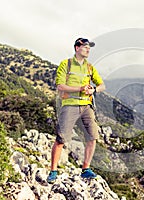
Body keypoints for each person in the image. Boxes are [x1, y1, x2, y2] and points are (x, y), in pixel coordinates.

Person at [47, 38, 105, 183]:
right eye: (85, 47)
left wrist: (94, 89)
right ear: (77, 48)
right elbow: (60, 86)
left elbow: (102, 85)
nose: (88, 49)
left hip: (87, 106)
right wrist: (80, 89)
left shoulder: (90, 67)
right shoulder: (65, 64)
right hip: (70, 105)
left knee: (93, 137)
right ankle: (53, 171)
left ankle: (86, 169)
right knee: (61, 139)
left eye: (89, 47)